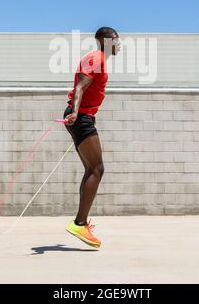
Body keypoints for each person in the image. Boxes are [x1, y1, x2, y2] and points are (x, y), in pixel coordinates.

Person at [63, 27, 120, 248]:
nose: (119, 45)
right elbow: (80, 87)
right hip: (80, 117)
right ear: (107, 40)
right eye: (117, 40)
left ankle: (80, 222)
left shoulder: (99, 59)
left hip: (83, 116)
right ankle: (79, 223)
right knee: (97, 169)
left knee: (92, 169)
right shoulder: (96, 58)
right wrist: (76, 112)